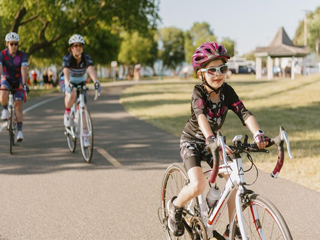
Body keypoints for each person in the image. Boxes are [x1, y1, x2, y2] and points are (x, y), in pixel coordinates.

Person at [166, 41, 268, 238]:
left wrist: (258, 134)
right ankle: (175, 207)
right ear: (201, 74)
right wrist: (211, 138)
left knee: (234, 179)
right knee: (198, 185)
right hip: (193, 142)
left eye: (222, 68)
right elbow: (201, 116)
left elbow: (244, 113)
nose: (218, 74)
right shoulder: (199, 92)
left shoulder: (227, 91)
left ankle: (233, 228)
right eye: (212, 70)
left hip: (213, 142)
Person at [61, 34, 101, 147]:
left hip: (81, 81)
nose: (78, 48)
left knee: (83, 108)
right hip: (68, 80)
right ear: (71, 48)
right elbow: (66, 71)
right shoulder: (67, 58)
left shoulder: (86, 58)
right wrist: (68, 83)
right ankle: (67, 113)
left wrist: (96, 81)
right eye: (76, 46)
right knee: (72, 93)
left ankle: (85, 136)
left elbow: (90, 69)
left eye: (80, 46)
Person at [0, 32, 29, 141]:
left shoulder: (22, 55)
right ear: (7, 44)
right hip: (6, 78)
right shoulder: (2, 54)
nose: (14, 46)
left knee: (18, 105)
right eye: (11, 44)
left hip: (18, 79)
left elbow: (24, 69)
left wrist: (25, 84)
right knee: (3, 93)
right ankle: (4, 110)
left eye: (16, 44)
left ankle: (20, 131)